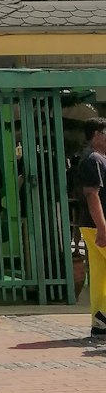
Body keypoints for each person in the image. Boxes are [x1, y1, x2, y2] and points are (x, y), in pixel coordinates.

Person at [76, 116, 106, 340]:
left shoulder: (92, 158)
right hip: (98, 225)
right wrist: (103, 227)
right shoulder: (95, 159)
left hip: (90, 225)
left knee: (99, 275)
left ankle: (100, 321)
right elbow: (92, 193)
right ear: (97, 134)